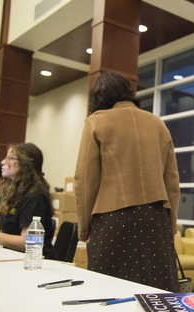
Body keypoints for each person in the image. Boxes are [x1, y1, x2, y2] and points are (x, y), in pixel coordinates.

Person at [75, 72, 180, 292]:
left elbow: (85, 182)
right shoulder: (157, 123)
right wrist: (170, 226)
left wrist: (84, 230)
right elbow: (171, 181)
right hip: (155, 219)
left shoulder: (96, 122)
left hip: (111, 220)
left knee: (108, 292)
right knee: (157, 292)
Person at [0, 143, 54, 258]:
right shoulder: (15, 194)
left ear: (24, 164)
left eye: (9, 158)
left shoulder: (34, 198)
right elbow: (4, 228)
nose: (2, 162)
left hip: (33, 263)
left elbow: (27, 242)